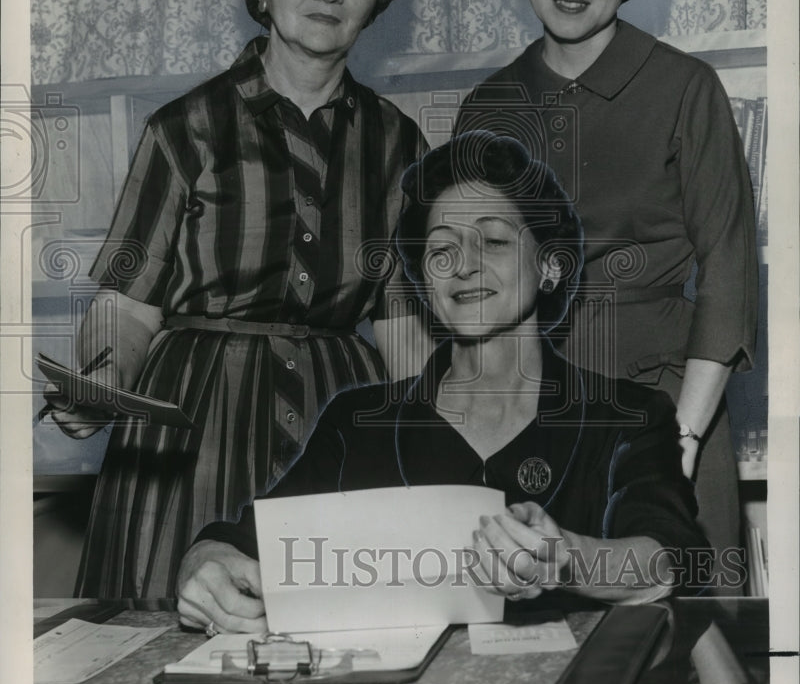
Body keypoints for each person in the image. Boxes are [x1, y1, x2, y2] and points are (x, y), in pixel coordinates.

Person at [46, 0, 431, 599]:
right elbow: (124, 308)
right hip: (190, 435)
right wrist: (97, 383)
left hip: (337, 430)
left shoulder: (398, 145)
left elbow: (403, 331)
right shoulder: (182, 129)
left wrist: (435, 455)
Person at [175, 132, 716, 636]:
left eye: (495, 241)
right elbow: (250, 542)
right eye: (440, 251)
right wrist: (205, 562)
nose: (464, 266)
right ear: (425, 285)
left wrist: (567, 558)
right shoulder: (360, 423)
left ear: (550, 266)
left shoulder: (628, 415)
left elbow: (673, 558)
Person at [454, 0, 757, 585]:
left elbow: (727, 272)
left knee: (679, 673)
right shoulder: (487, 108)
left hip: (664, 419)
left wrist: (679, 443)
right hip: (529, 428)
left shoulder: (687, 91)